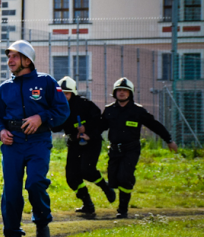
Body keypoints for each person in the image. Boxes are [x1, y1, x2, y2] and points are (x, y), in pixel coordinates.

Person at [0, 40, 70, 237]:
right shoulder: (5, 88)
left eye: (14, 56)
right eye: (9, 56)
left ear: (27, 59)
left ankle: (42, 224)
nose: (10, 61)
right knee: (12, 191)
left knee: (35, 183)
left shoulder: (47, 82)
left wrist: (41, 117)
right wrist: (0, 132)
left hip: (38, 142)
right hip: (12, 144)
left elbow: (62, 110)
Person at [101, 77, 178, 218]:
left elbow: (155, 125)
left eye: (125, 90)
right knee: (113, 179)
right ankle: (116, 193)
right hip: (114, 150)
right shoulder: (109, 110)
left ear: (131, 93)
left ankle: (122, 210)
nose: (122, 93)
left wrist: (169, 140)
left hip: (131, 150)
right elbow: (99, 127)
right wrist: (86, 134)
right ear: (115, 92)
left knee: (125, 177)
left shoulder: (138, 111)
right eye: (119, 90)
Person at [52, 76, 115, 218]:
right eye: (60, 94)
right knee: (71, 177)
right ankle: (87, 204)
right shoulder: (58, 107)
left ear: (73, 93)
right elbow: (56, 127)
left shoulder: (85, 104)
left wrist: (88, 132)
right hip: (74, 143)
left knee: (87, 170)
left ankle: (106, 188)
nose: (63, 96)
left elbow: (99, 120)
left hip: (91, 142)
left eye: (66, 93)